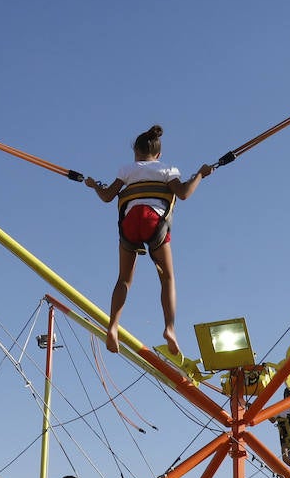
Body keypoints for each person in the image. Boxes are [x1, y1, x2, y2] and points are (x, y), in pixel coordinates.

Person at [85, 124, 212, 355]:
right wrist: (200, 174)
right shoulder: (167, 169)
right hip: (155, 223)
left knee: (124, 280)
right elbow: (183, 193)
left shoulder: (126, 170)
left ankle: (112, 326)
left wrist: (94, 185)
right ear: (159, 154)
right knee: (168, 279)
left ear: (135, 153)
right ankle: (170, 329)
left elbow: (106, 197)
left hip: (130, 223)